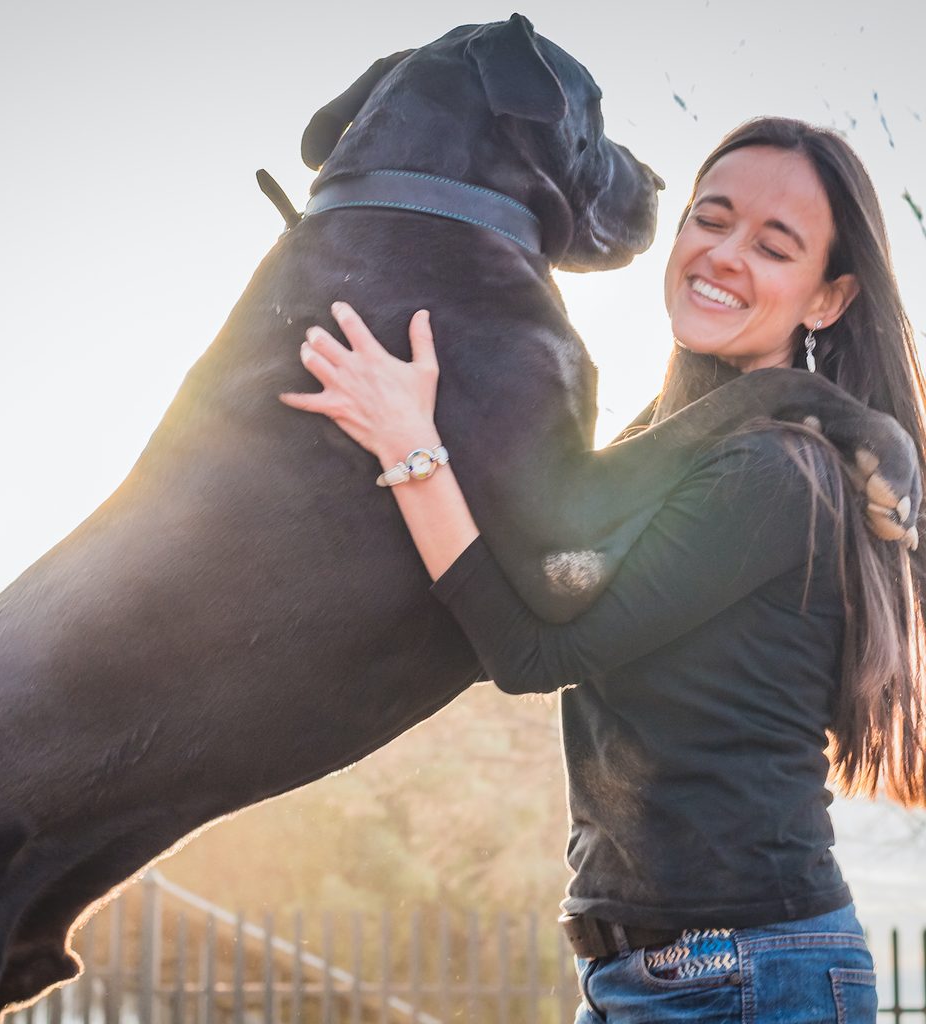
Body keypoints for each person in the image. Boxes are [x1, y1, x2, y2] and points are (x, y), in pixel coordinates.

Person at [280, 117, 926, 1023]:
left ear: (827, 299)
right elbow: (547, 560)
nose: (726, 253)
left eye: (775, 247)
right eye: (713, 218)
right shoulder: (665, 446)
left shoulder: (777, 473)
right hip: (657, 976)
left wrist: (410, 445)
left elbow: (535, 650)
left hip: (744, 978)